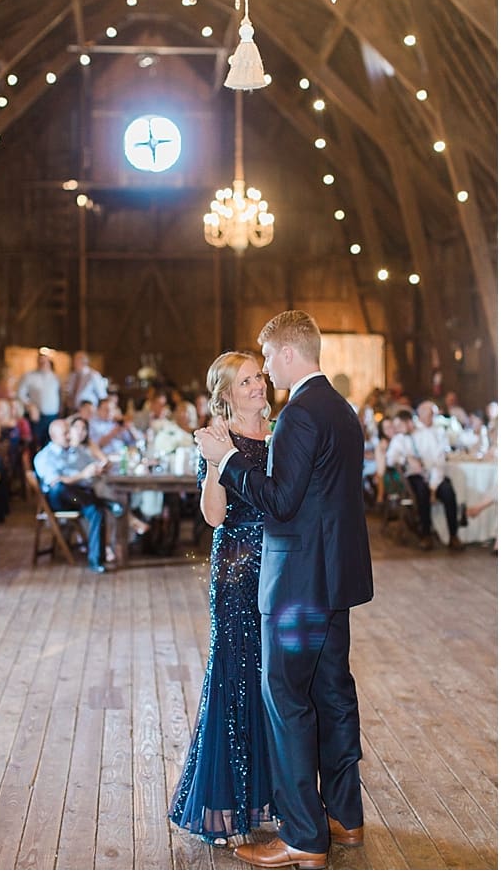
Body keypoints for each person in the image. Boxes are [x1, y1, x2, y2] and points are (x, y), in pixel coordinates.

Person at [195, 310, 373, 869]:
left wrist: (224, 461)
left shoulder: (298, 414)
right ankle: (345, 818)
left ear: (289, 354)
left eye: (267, 357)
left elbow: (281, 501)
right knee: (335, 698)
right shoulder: (341, 408)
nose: (265, 368)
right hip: (334, 578)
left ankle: (303, 836)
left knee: (288, 703)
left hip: (296, 584)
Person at [169, 352, 275, 845]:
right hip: (237, 568)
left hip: (280, 564)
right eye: (248, 380)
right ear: (227, 394)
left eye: (260, 376)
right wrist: (215, 462)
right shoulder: (217, 438)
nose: (259, 385)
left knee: (273, 680)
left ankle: (268, 800)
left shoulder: (280, 432)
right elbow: (213, 516)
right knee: (235, 672)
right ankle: (226, 805)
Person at [32, 418, 116, 573]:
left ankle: (96, 560)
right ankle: (104, 502)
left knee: (96, 510)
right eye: (65, 434)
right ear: (53, 436)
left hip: (79, 499)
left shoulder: (75, 451)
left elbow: (92, 466)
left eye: (69, 432)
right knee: (61, 488)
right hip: (59, 500)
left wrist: (98, 468)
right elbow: (55, 482)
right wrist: (82, 475)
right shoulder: (45, 456)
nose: (70, 436)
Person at [386, 405, 464, 551]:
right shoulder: (399, 439)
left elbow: (438, 461)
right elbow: (390, 459)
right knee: (421, 490)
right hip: (415, 477)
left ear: (409, 422)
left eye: (399, 425)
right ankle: (425, 534)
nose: (396, 429)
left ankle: (453, 535)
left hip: (433, 474)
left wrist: (433, 488)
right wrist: (406, 458)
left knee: (447, 490)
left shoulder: (427, 434)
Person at [17, 350, 61, 449]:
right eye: (40, 361)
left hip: (53, 416)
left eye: (45, 361)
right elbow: (20, 394)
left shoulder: (55, 377)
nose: (43, 364)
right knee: (35, 444)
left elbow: (60, 395)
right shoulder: (29, 376)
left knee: (51, 444)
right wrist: (30, 406)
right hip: (37, 417)